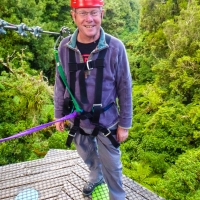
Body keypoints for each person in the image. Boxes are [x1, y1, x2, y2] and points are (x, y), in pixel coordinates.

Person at [54, 0, 132, 199]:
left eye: (94, 13)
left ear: (102, 14)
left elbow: (125, 88)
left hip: (107, 121)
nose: (89, 19)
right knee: (87, 155)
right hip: (78, 121)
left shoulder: (115, 47)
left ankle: (117, 196)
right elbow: (60, 83)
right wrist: (58, 115)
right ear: (74, 16)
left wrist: (125, 124)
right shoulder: (64, 48)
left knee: (113, 167)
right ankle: (96, 175)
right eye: (83, 13)